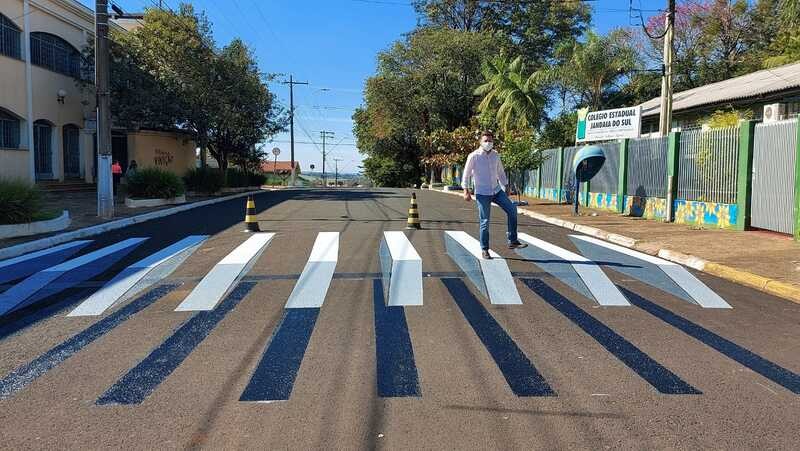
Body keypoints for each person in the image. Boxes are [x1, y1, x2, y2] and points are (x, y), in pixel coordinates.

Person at [462, 131, 527, 259]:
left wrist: (506, 186)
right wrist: (466, 191)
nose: (488, 143)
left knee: (512, 210)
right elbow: (466, 175)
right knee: (485, 222)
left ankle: (512, 240)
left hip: (496, 191)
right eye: (485, 140)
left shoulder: (495, 155)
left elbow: (500, 172)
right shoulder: (474, 156)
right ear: (480, 142)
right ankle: (485, 249)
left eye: (490, 141)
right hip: (482, 193)